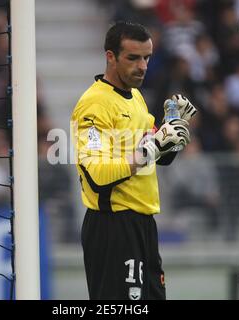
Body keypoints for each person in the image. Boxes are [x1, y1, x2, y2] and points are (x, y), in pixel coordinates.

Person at [70, 21, 197, 300]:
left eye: (147, 58)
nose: (142, 66)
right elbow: (97, 175)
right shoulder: (94, 104)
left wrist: (172, 129)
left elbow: (158, 158)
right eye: (133, 58)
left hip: (142, 224)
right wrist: (152, 148)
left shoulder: (136, 98)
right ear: (110, 57)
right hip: (113, 227)